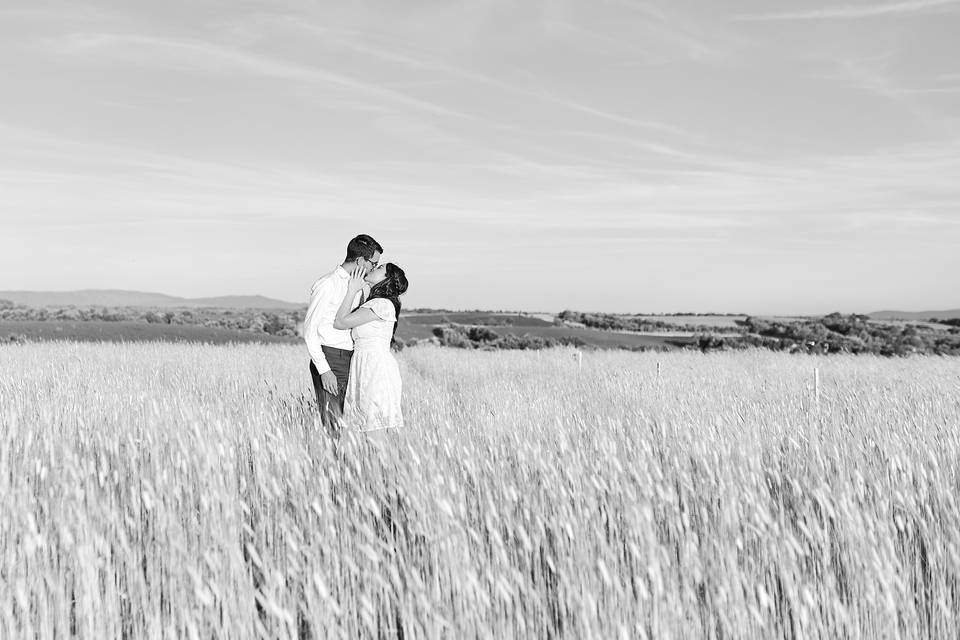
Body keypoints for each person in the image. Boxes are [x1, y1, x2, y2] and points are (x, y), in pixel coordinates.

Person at [303, 234, 383, 436]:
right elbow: (310, 331)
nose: (374, 268)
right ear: (360, 261)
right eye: (373, 264)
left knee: (352, 423)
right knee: (332, 424)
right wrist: (324, 370)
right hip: (331, 358)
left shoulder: (358, 286)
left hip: (351, 359)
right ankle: (330, 465)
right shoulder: (328, 284)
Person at [333, 262, 409, 433]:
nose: (374, 268)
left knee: (375, 432)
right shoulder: (375, 302)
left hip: (375, 368)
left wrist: (352, 290)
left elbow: (340, 322)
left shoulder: (382, 304)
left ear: (386, 279)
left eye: (380, 268)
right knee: (363, 430)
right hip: (365, 365)